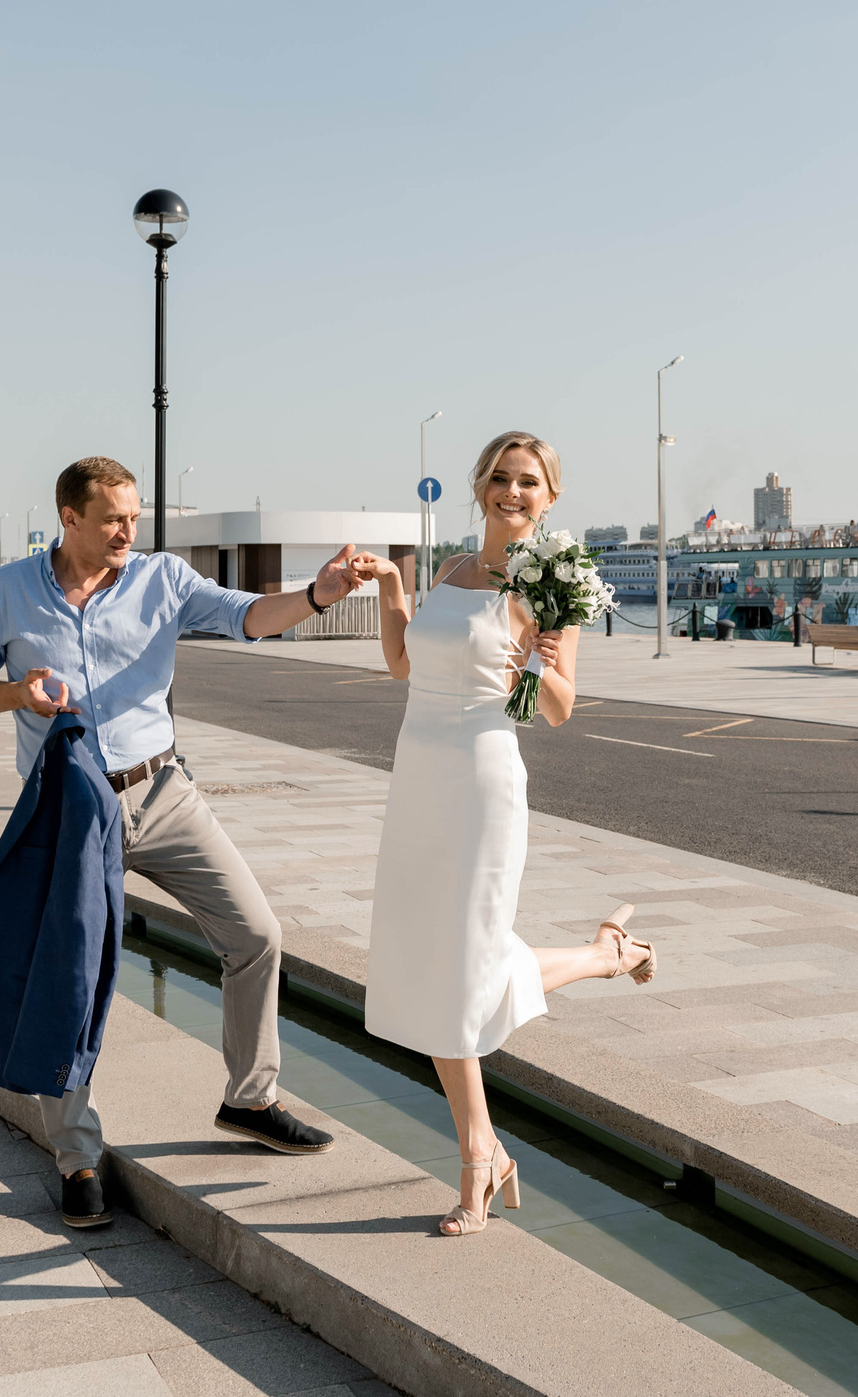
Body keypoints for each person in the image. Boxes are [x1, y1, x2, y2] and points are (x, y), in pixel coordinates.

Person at [0, 455, 394, 1229]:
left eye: (135, 516)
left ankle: (251, 1100)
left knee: (256, 934)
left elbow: (250, 614)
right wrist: (17, 693)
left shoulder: (164, 581)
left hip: (163, 790)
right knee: (69, 977)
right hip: (71, 807)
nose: (128, 530)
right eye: (113, 517)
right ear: (70, 519)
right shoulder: (6, 591)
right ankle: (77, 1157)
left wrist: (321, 594)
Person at [361, 431, 658, 1237]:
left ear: (549, 498)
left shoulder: (552, 587)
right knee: (430, 958)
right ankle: (605, 956)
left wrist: (534, 663)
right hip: (418, 772)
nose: (511, 491)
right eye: (500, 477)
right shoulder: (451, 571)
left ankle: (478, 1159)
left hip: (483, 781)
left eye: (528, 482)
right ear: (481, 486)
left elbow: (558, 708)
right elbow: (402, 664)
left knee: (459, 966)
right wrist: (392, 582)